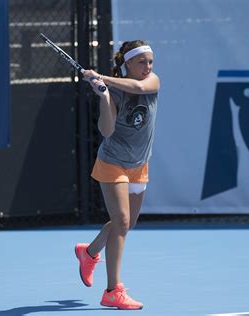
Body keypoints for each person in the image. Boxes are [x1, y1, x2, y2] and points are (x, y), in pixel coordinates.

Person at [74, 40, 160, 310]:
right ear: (127, 64)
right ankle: (113, 291)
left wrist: (102, 78)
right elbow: (107, 130)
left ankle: (88, 253)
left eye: (150, 62)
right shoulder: (112, 90)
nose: (147, 67)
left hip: (139, 164)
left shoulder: (152, 81)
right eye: (141, 62)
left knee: (126, 224)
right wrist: (103, 95)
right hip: (113, 163)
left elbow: (138, 87)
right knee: (121, 222)